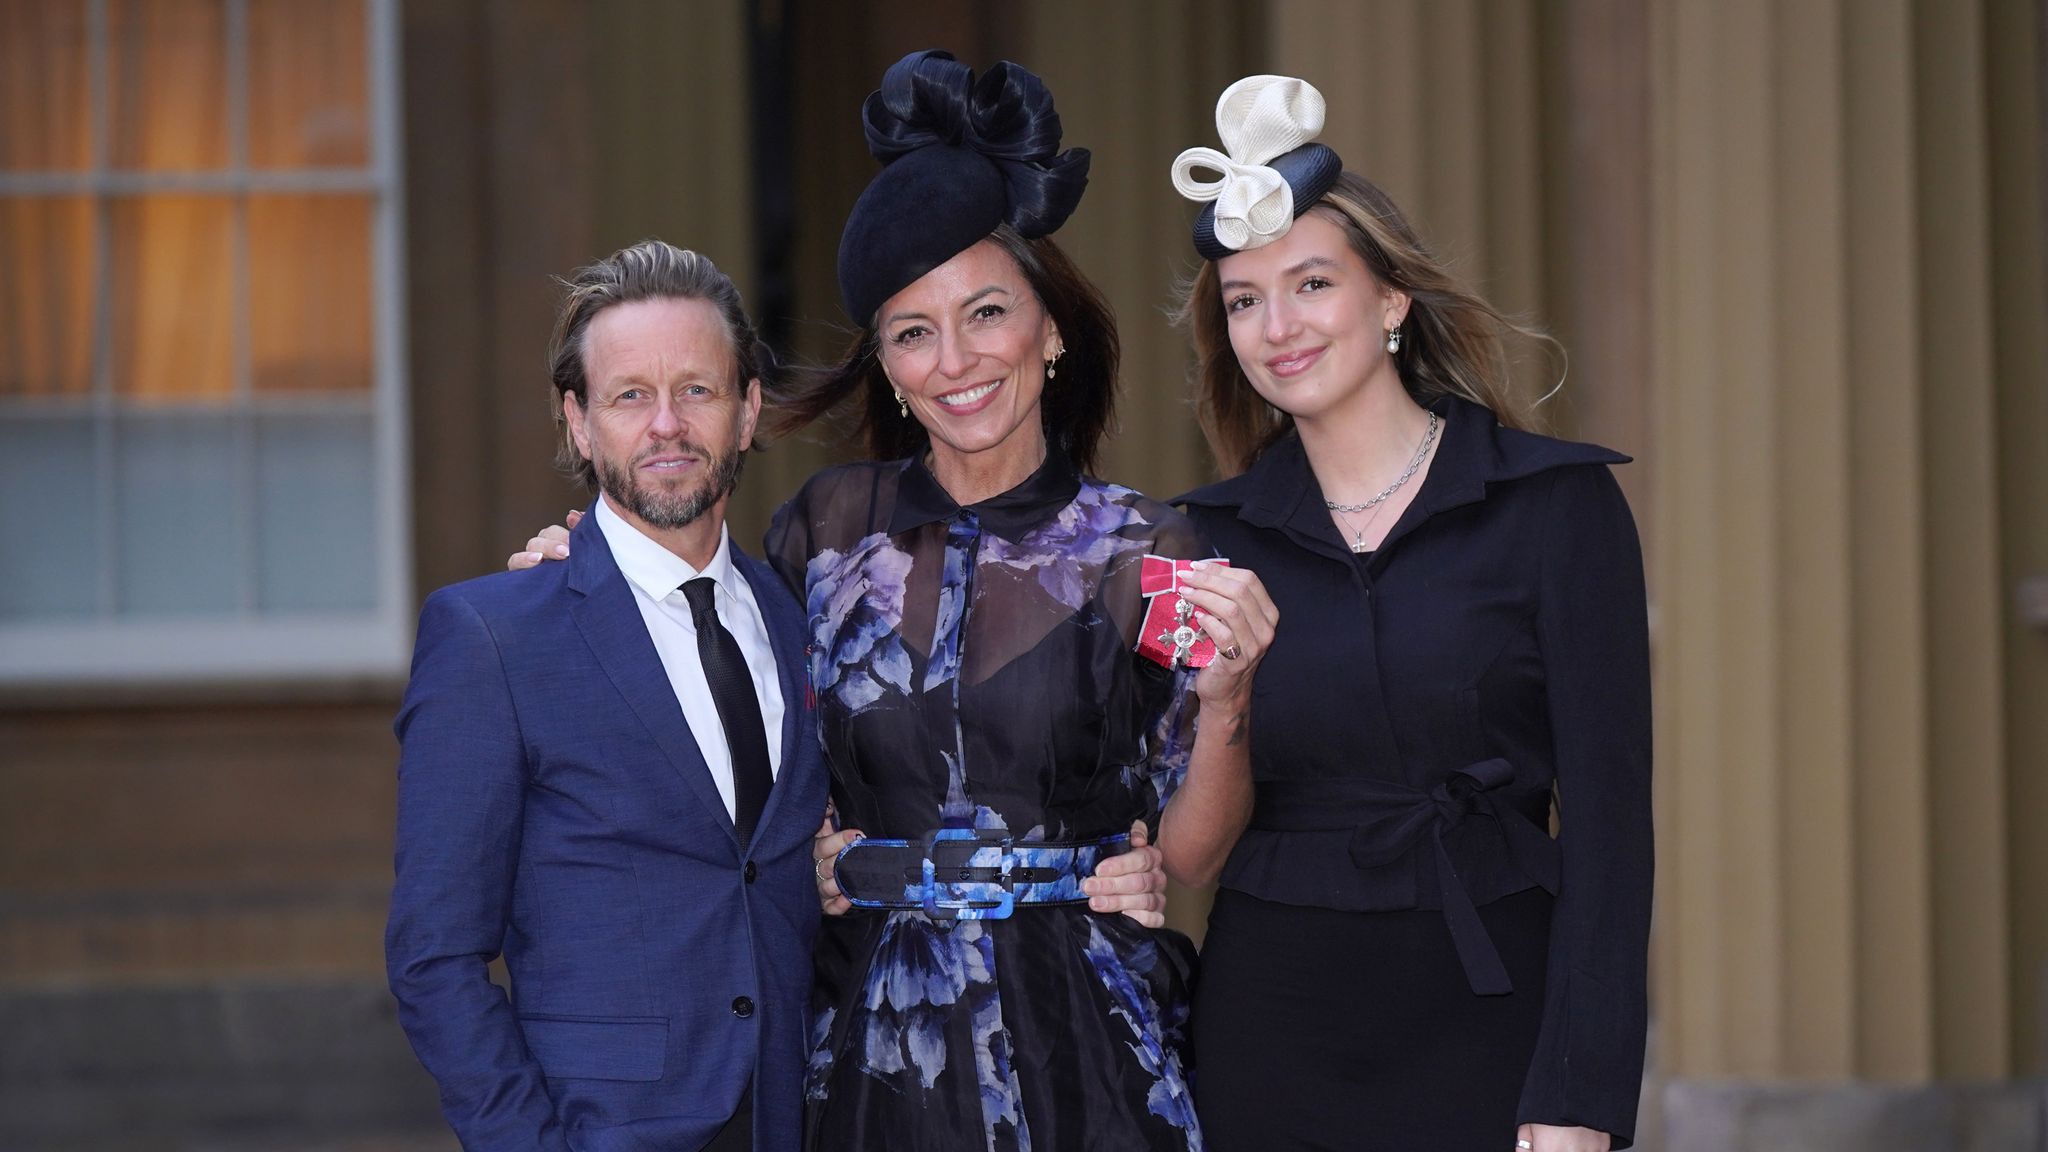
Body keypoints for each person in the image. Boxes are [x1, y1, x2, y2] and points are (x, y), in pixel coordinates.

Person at [507, 52, 1271, 1152]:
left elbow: (1194, 855)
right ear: (887, 365)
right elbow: (725, 719)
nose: (954, 360)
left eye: (986, 313)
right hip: (865, 1038)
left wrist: (1230, 701)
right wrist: (587, 574)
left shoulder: (1144, 548)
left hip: (1079, 1036)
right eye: (913, 331)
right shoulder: (822, 533)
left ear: (1048, 331)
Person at [1168, 77, 1652, 1151]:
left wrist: (1577, 1093)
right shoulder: (1199, 541)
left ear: (1390, 300)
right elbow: (1177, 836)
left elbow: (1613, 829)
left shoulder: (1558, 509)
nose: (1276, 327)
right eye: (1243, 301)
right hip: (1267, 1034)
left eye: (1308, 285)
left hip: (1491, 1022)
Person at [386, 241, 830, 1152]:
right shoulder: (493, 638)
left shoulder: (802, 621)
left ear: (748, 412)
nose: (666, 424)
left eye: (698, 390)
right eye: (630, 394)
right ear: (580, 422)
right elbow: (435, 957)